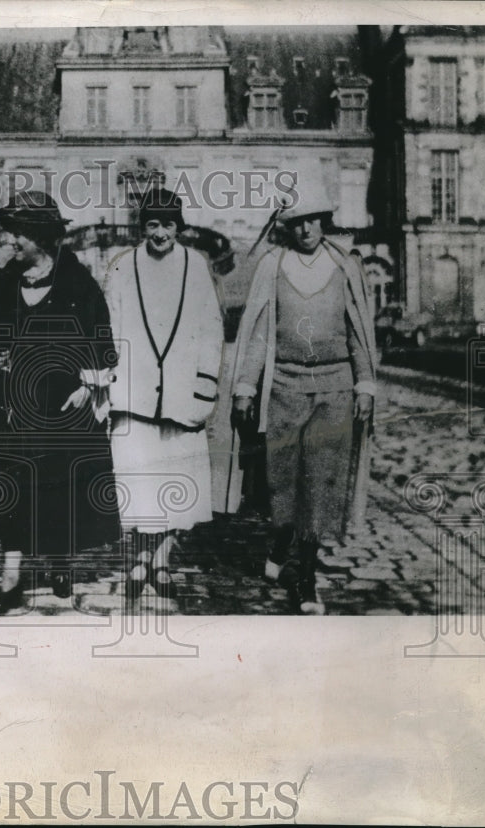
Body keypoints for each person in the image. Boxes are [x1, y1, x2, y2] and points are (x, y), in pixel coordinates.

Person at [230, 169, 377, 615]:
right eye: (298, 221)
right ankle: (279, 542)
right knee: (282, 484)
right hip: (284, 387)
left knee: (320, 484)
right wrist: (245, 386)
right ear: (286, 226)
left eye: (314, 219)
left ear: (325, 220)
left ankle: (306, 579)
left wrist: (365, 382)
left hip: (334, 387)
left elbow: (358, 331)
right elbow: (257, 332)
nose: (307, 228)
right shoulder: (273, 266)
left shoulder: (344, 265)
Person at [0, 191, 121, 615]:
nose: (11, 240)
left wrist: (87, 385)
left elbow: (102, 343)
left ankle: (61, 565)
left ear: (39, 235)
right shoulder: (4, 284)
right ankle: (11, 579)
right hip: (14, 410)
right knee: (15, 491)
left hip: (65, 408)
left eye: (18, 232)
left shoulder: (79, 284)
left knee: (61, 490)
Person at [103, 187, 224, 604]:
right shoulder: (122, 267)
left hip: (180, 397)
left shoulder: (196, 266)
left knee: (176, 482)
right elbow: (111, 329)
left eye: (167, 224)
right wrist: (111, 384)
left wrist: (202, 388)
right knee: (138, 483)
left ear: (179, 227)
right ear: (143, 227)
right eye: (152, 224)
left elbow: (211, 330)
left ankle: (162, 562)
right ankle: (138, 561)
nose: (159, 233)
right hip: (134, 399)